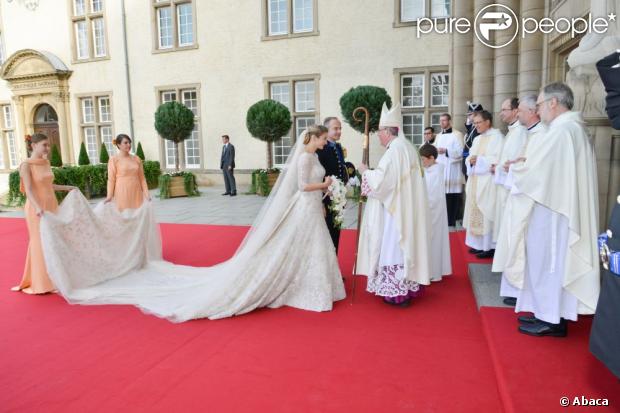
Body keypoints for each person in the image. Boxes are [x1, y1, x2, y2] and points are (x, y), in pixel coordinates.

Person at [36, 125, 346, 322]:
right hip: (306, 204)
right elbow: (302, 185)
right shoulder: (306, 159)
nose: (325, 140)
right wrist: (326, 185)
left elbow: (142, 177)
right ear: (315, 137)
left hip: (310, 210)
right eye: (323, 136)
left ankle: (314, 286)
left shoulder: (313, 156)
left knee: (310, 247)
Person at [492, 82, 600, 337]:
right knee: (549, 262)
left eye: (539, 105)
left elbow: (538, 173)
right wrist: (525, 163)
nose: (538, 111)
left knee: (549, 262)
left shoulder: (562, 131)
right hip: (557, 207)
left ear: (553, 102)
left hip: (553, 212)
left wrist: (516, 168)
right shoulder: (571, 129)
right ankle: (548, 313)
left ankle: (551, 319)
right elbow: (549, 167)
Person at [357, 103, 432, 307]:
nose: (378, 135)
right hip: (406, 207)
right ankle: (407, 286)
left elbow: (383, 183)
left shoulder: (394, 151)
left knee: (394, 246)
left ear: (389, 131)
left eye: (380, 131)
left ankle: (397, 293)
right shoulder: (406, 146)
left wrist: (365, 171)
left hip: (395, 211)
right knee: (404, 245)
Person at [497, 95, 546, 306]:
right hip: (518, 197)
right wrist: (513, 165)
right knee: (515, 242)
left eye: (522, 111)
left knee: (522, 243)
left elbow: (537, 170)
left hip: (530, 200)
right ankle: (516, 289)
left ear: (533, 111)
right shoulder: (527, 133)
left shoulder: (543, 134)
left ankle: (521, 291)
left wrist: (514, 167)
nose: (519, 114)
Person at [11, 133, 75, 294]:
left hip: (51, 204)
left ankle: (54, 279)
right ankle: (41, 283)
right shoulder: (26, 165)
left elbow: (49, 185)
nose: (47, 148)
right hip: (36, 208)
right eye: (44, 145)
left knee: (53, 241)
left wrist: (67, 188)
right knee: (39, 242)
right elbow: (29, 190)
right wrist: (38, 207)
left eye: (48, 145)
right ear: (33, 145)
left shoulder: (45, 162)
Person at [462, 110, 504, 259]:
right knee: (475, 212)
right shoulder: (478, 139)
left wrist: (478, 160)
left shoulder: (497, 137)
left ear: (488, 122)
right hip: (476, 180)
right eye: (475, 123)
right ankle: (478, 244)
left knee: (486, 213)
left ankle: (489, 247)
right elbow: (470, 155)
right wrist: (471, 160)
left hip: (488, 182)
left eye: (479, 122)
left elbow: (497, 158)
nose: (476, 125)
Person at [493, 98, 527, 242]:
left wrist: (502, 167)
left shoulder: (520, 131)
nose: (501, 114)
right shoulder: (512, 131)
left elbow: (515, 160)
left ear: (515, 111)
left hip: (511, 185)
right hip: (504, 183)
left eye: (504, 110)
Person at [419, 144, 452, 282]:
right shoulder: (428, 170)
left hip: (433, 213)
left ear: (432, 158)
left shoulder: (435, 173)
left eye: (423, 159)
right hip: (429, 210)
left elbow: (433, 197)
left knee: (432, 241)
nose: (422, 162)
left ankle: (432, 272)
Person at [317, 117, 348, 252]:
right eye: (335, 128)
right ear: (326, 130)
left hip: (338, 197)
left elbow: (339, 169)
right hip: (326, 197)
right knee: (327, 235)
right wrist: (320, 202)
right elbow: (316, 176)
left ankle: (333, 270)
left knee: (336, 233)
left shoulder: (338, 147)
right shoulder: (321, 149)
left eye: (340, 128)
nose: (339, 131)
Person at [105, 134, 151, 211]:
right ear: (118, 145)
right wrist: (109, 195)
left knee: (137, 215)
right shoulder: (113, 160)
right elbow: (111, 180)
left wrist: (147, 194)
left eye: (129, 142)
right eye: (126, 143)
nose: (129, 145)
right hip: (122, 191)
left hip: (136, 191)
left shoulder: (137, 159)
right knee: (124, 216)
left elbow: (142, 178)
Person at [435, 113, 465, 227]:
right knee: (442, 197)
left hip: (452, 170)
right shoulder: (438, 136)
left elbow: (461, 152)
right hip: (441, 169)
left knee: (452, 198)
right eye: (440, 120)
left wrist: (447, 151)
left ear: (449, 121)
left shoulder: (457, 135)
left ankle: (452, 222)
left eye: (444, 120)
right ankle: (443, 223)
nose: (442, 123)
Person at [462, 101, 484, 179]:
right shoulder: (472, 128)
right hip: (467, 161)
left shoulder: (478, 129)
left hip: (473, 162)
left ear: (477, 114)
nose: (468, 117)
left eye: (470, 114)